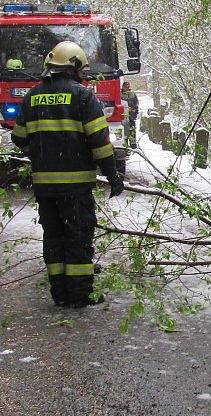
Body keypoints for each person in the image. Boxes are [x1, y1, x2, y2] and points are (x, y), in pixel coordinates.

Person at [11, 41, 124, 308]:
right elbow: (99, 142)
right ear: (73, 66)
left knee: (54, 238)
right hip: (75, 187)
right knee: (78, 237)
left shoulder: (32, 97)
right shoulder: (83, 97)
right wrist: (113, 176)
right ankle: (81, 295)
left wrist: (42, 151)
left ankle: (60, 295)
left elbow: (18, 139)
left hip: (45, 186)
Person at [121, 81, 138, 148]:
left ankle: (133, 143)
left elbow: (136, 103)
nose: (127, 88)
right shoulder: (119, 94)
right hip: (123, 115)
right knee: (124, 129)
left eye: (128, 86)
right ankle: (124, 143)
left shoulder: (133, 94)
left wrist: (134, 111)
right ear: (123, 87)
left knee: (132, 129)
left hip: (131, 115)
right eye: (126, 86)